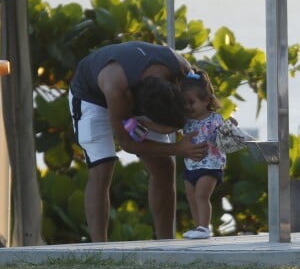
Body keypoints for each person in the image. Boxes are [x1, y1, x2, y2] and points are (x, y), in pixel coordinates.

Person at [68, 41, 208, 242]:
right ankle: (99, 249)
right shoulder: (117, 89)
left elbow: (204, 94)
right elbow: (128, 143)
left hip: (140, 94)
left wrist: (216, 123)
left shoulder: (181, 68)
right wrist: (177, 148)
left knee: (164, 167)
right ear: (141, 112)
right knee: (102, 166)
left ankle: (165, 243)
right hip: (91, 96)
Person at [180, 69, 226, 239]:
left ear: (207, 100)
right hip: (191, 164)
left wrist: (232, 126)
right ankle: (198, 226)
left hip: (211, 164)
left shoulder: (215, 119)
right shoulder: (185, 121)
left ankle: (204, 228)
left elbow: (227, 134)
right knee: (191, 196)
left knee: (201, 195)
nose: (188, 107)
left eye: (191, 102)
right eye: (184, 103)